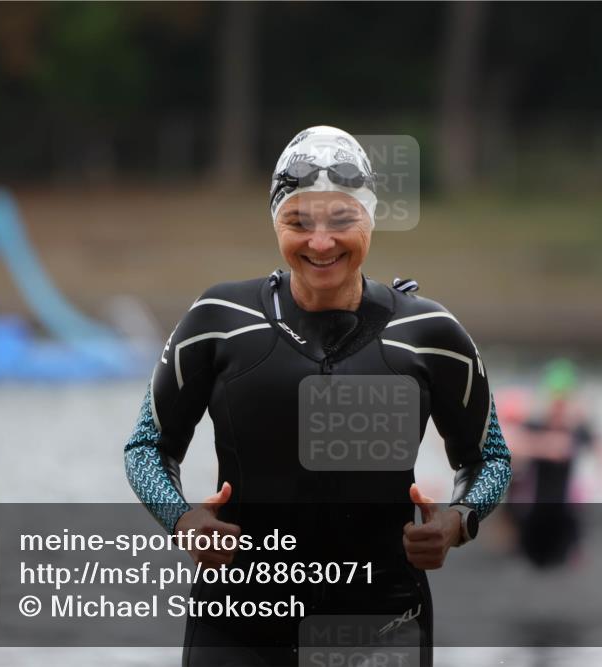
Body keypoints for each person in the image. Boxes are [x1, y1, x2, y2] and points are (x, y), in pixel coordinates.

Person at [124, 126, 512, 666]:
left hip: (381, 626)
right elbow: (146, 447)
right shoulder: (217, 322)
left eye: (342, 220)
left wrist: (459, 521)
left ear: (370, 220)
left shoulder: (433, 334)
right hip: (238, 632)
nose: (321, 242)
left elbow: (488, 457)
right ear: (276, 223)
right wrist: (182, 519)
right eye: (299, 221)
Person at [501, 358, 602, 568]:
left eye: (564, 400)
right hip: (532, 511)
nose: (559, 407)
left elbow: (600, 447)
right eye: (555, 400)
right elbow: (509, 445)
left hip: (565, 511)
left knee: (571, 544)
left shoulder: (577, 427)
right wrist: (545, 447)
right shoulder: (535, 425)